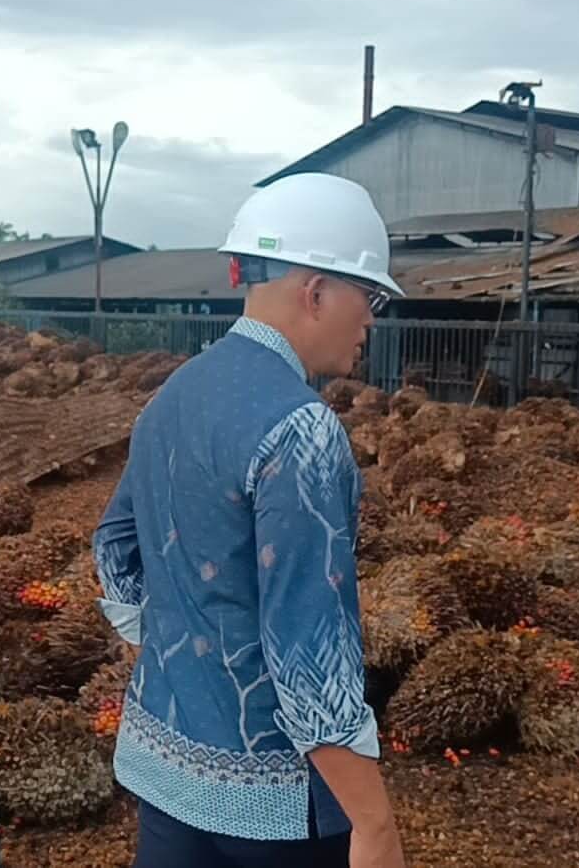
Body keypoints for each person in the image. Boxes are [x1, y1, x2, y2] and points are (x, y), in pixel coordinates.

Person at [93, 172, 408, 868]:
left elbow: (115, 552)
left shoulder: (175, 391)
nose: (372, 318)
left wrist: (186, 657)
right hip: (272, 803)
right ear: (315, 289)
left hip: (164, 763)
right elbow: (306, 649)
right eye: (370, 293)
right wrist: (374, 823)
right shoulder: (301, 428)